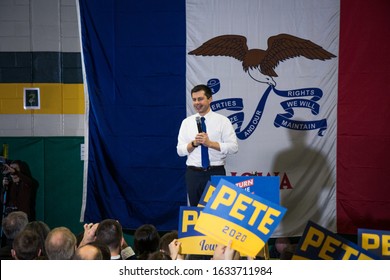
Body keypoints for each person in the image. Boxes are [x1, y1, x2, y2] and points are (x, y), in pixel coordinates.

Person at [177, 84, 238, 206]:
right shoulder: (187, 122)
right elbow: (180, 151)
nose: (196, 103)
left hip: (215, 172)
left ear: (210, 99)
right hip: (193, 174)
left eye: (200, 99)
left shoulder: (223, 121)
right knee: (195, 211)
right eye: (194, 99)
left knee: (216, 213)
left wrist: (210, 144)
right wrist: (194, 144)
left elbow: (233, 147)